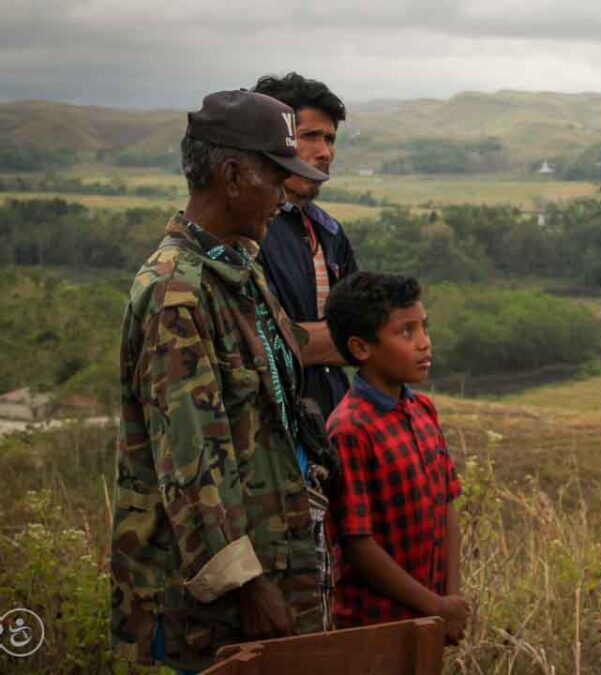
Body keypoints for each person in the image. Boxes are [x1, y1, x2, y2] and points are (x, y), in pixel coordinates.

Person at [111, 90, 334, 673]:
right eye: (275, 177)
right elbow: (191, 459)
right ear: (234, 176)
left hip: (276, 560)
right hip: (218, 603)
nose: (283, 193)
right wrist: (246, 584)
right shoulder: (176, 293)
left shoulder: (238, 268)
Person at [322, 271, 469, 644]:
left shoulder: (423, 411)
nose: (424, 343)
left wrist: (450, 601)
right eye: (406, 332)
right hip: (376, 629)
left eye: (424, 328)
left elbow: (447, 505)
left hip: (430, 623)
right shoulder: (350, 430)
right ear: (361, 348)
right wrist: (434, 605)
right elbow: (357, 544)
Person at [252, 72, 359, 420]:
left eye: (330, 139)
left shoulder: (328, 231)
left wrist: (313, 340)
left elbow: (364, 332)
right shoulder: (248, 232)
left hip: (329, 422)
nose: (324, 152)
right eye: (310, 136)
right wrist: (344, 339)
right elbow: (257, 344)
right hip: (269, 426)